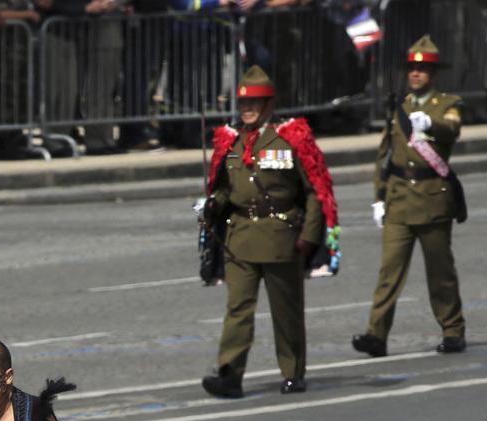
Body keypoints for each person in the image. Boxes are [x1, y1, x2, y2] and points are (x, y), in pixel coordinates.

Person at [200, 65, 338, 399]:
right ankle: (230, 374)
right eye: (243, 104)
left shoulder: (290, 139)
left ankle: (293, 372)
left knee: (286, 311)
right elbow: (225, 187)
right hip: (240, 237)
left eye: (255, 103)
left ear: (268, 105)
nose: (247, 109)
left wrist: (310, 234)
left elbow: (315, 191)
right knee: (238, 309)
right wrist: (212, 205)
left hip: (281, 236)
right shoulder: (230, 141)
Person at [352, 35, 467, 358]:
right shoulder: (398, 107)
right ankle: (376, 334)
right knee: (389, 272)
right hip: (400, 198)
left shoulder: (446, 104)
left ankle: (453, 329)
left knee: (440, 272)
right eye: (412, 68)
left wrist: (431, 122)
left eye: (422, 68)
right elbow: (385, 154)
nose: (415, 74)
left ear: (433, 72)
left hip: (433, 198)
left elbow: (452, 128)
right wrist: (379, 195)